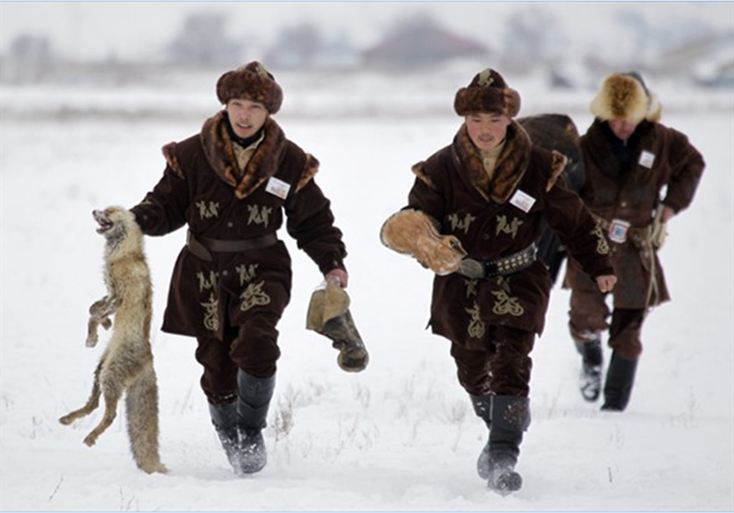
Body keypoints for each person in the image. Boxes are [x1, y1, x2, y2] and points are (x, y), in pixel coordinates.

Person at [379, 68, 616, 494]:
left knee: (512, 364)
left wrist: (599, 264)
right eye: (476, 120)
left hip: (520, 277)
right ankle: (505, 419)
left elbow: (574, 220)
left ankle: (504, 456)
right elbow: (417, 217)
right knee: (471, 370)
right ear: (463, 120)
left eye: (494, 120)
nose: (485, 130)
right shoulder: (439, 167)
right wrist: (421, 240)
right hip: (460, 284)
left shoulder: (540, 166)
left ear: (510, 120)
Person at [128, 61, 348, 475]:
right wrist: (131, 221)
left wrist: (332, 263)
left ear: (269, 112)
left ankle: (251, 431)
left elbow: (313, 221)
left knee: (258, 341)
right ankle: (229, 435)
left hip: (263, 266)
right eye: (237, 104)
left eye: (254, 107)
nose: (244, 115)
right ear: (225, 105)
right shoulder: (190, 154)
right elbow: (165, 207)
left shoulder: (290, 160)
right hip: (202, 271)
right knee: (216, 365)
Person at [564, 72, 705, 410]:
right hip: (591, 246)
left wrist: (671, 205)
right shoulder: (584, 146)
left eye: (629, 118)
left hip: (636, 248)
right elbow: (566, 191)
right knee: (585, 319)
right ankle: (591, 362)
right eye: (616, 118)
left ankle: (614, 407)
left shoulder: (663, 141)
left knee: (629, 331)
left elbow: (693, 164)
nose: (623, 125)